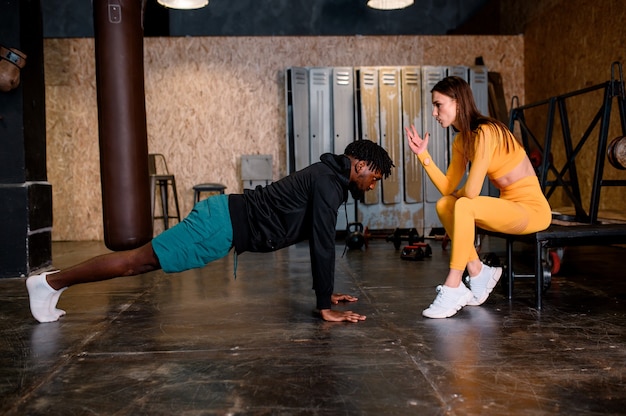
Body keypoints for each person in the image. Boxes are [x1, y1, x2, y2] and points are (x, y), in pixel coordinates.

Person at [27, 140, 394, 324]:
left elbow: (319, 242)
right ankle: (50, 283)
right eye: (374, 178)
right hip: (219, 226)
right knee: (134, 263)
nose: (373, 185)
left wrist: (327, 293)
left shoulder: (327, 177)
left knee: (141, 264)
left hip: (222, 220)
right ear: (359, 165)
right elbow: (323, 244)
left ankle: (52, 285)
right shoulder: (329, 184)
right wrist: (324, 305)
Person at [406, 76, 551, 319]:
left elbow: (471, 192)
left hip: (532, 211)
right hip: (509, 207)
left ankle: (454, 285)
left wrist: (459, 198)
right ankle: (477, 271)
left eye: (438, 105)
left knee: (462, 204)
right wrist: (424, 156)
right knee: (445, 204)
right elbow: (447, 189)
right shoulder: (462, 140)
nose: (434, 112)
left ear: (458, 104)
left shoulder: (488, 131)